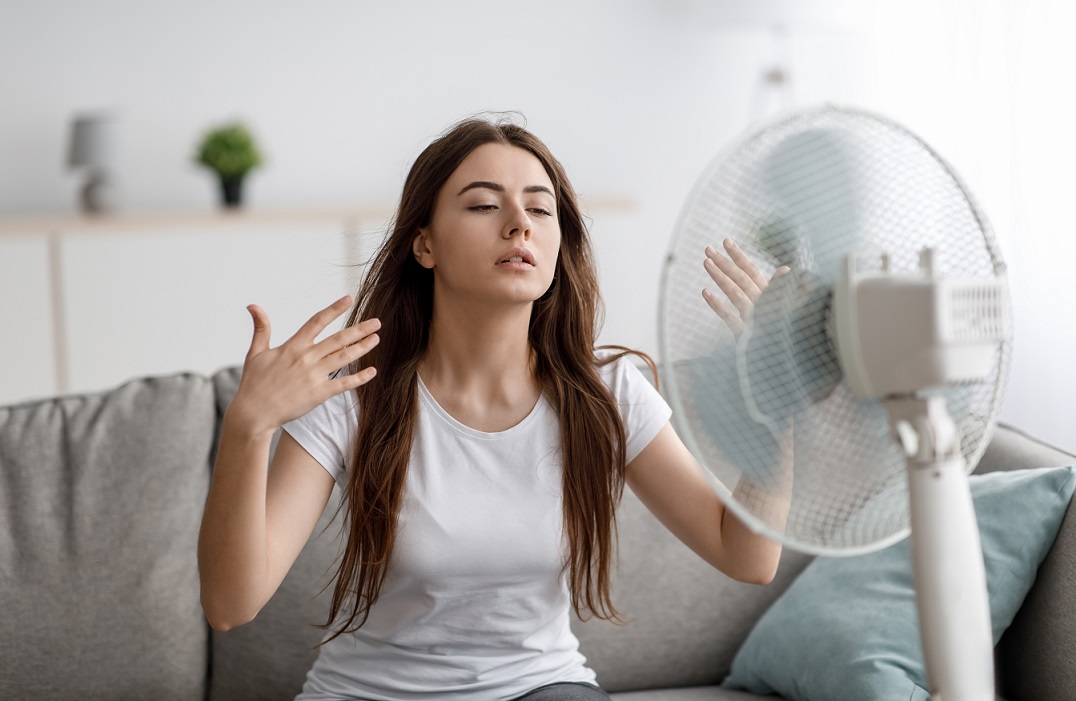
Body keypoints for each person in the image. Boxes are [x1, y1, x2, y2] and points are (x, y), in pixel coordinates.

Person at [197, 116, 788, 701]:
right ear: (425, 244)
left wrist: (782, 400)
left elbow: (747, 555)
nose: (519, 225)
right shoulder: (354, 396)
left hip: (539, 688)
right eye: (483, 205)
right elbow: (229, 605)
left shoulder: (607, 392)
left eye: (540, 209)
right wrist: (248, 427)